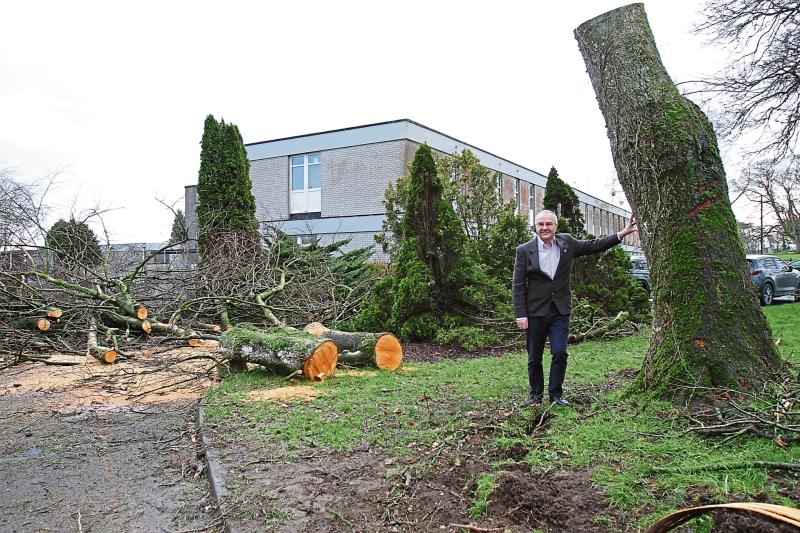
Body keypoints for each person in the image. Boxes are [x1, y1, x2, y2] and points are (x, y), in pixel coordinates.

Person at [512, 209, 638, 406]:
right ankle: (535, 396)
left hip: (559, 311)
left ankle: (556, 395)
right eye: (541, 224)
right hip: (534, 312)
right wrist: (521, 314)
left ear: (556, 226)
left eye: (549, 224)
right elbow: (518, 284)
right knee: (534, 356)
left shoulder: (567, 243)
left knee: (560, 352)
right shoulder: (524, 250)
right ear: (535, 227)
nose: (545, 228)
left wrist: (620, 234)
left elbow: (593, 245)